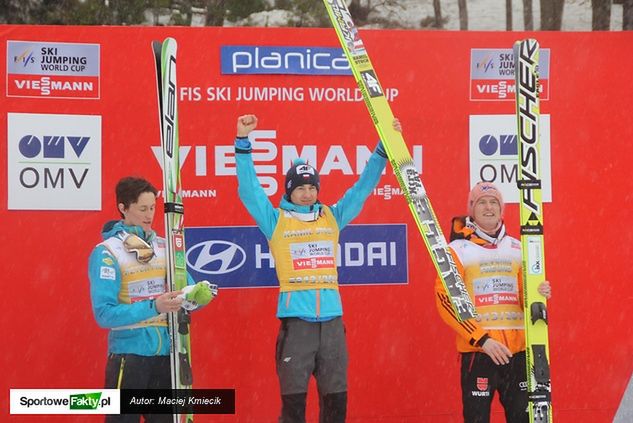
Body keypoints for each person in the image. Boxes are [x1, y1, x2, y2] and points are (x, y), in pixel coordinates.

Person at [234, 114, 397, 423]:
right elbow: (250, 192)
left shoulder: (332, 217)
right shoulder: (276, 221)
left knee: (336, 407)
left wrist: (381, 152)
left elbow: (361, 190)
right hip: (297, 326)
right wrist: (242, 144)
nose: (307, 192)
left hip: (333, 325)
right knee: (294, 409)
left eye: (312, 186)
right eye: (300, 187)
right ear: (289, 191)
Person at [88, 176, 216, 423]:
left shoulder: (164, 247)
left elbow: (185, 291)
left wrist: (197, 296)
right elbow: (104, 314)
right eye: (142, 209)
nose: (149, 215)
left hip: (165, 358)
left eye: (153, 208)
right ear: (123, 208)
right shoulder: (107, 252)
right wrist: (153, 306)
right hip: (129, 358)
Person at [434, 181, 552, 423]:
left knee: (522, 418)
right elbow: (446, 299)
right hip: (481, 351)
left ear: (502, 209)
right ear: (472, 210)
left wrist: (538, 293)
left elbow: (523, 299)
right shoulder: (456, 249)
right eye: (482, 202)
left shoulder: (520, 248)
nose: (489, 208)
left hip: (517, 353)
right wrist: (482, 339)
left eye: (494, 202)